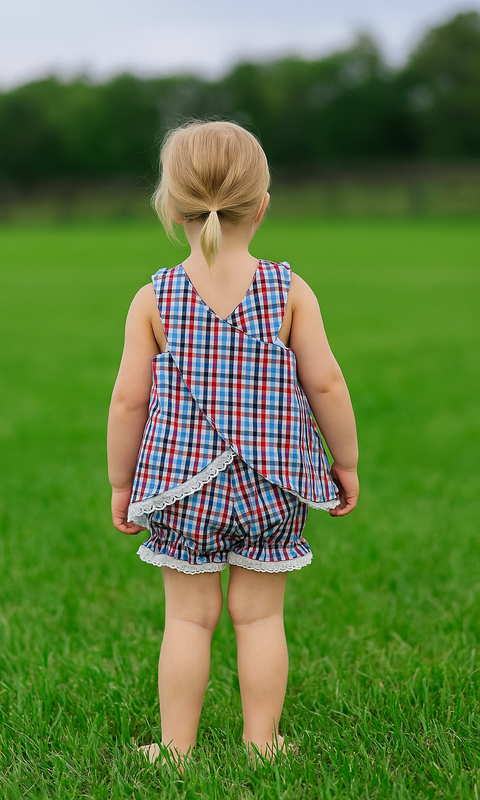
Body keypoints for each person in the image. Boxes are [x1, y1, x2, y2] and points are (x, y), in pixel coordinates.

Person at [107, 120, 358, 765]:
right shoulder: (288, 290)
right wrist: (345, 464)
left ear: (169, 206)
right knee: (259, 618)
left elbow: (128, 400)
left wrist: (121, 484)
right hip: (272, 486)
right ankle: (263, 743)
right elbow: (327, 384)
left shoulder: (153, 298)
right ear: (262, 205)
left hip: (183, 491)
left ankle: (174, 749)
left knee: (187, 620)